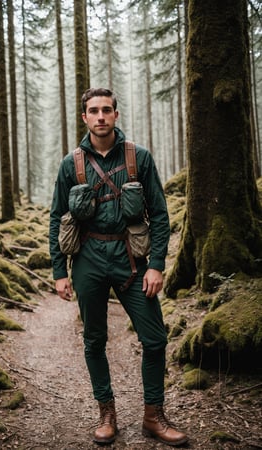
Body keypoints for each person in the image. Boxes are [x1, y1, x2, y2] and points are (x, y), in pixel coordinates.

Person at [49, 87, 188, 447]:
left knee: (155, 339)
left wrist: (156, 265)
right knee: (95, 340)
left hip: (132, 259)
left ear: (115, 114)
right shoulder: (71, 164)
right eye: (93, 111)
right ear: (84, 117)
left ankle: (153, 417)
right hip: (88, 260)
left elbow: (159, 213)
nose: (100, 117)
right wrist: (60, 272)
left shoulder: (138, 157)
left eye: (106, 110)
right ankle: (106, 414)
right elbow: (56, 218)